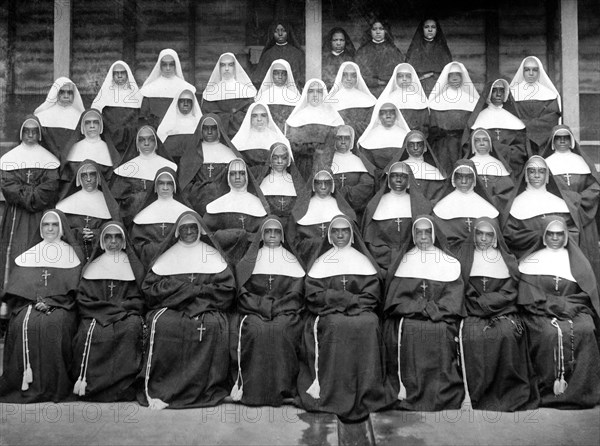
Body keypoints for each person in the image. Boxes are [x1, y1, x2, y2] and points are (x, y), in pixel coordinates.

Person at [298, 215, 392, 422]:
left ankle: (368, 390)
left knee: (370, 323)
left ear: (352, 234)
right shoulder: (320, 262)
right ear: (329, 235)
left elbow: (372, 295)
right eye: (335, 231)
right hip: (330, 315)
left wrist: (342, 303)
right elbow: (313, 296)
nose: (340, 235)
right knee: (334, 325)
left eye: (345, 231)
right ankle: (334, 391)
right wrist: (347, 301)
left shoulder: (363, 261)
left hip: (359, 312)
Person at [140, 211, 236, 409]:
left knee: (211, 325)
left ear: (200, 230)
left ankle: (204, 388)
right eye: (185, 228)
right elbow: (151, 290)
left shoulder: (213, 256)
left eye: (193, 228)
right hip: (173, 309)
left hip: (206, 309)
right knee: (164, 325)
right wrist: (193, 292)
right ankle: (165, 386)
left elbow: (226, 291)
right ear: (177, 232)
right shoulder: (166, 257)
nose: (189, 232)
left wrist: (185, 291)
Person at [456, 217, 539, 411]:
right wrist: (479, 304)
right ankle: (477, 392)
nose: (483, 239)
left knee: (507, 334)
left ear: (495, 238)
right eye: (479, 233)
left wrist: (490, 302)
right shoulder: (463, 259)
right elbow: (459, 288)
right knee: (472, 335)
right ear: (474, 235)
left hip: (503, 310)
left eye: (488, 234)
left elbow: (511, 291)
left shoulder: (506, 260)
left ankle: (506, 392)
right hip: (472, 310)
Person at [0, 210, 82, 403]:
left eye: (54, 225)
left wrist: (53, 303)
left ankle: (53, 386)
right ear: (41, 228)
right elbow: (16, 292)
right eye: (46, 225)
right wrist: (34, 302)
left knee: (55, 325)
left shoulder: (72, 256)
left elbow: (76, 293)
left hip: (62, 308)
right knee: (20, 323)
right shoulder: (29, 254)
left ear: (61, 229)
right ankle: (24, 383)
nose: (50, 228)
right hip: (30, 305)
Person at [384, 216, 465, 411]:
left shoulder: (448, 262)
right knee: (411, 331)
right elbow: (396, 301)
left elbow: (453, 298)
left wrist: (434, 310)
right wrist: (421, 308)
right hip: (409, 317)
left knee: (440, 332)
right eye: (418, 232)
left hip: (440, 317)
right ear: (412, 236)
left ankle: (438, 393)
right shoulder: (403, 262)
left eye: (427, 232)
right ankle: (410, 391)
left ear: (434, 234)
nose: (423, 236)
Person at [518, 217, 600, 408]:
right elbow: (528, 296)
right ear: (544, 237)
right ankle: (548, 391)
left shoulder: (578, 262)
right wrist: (555, 306)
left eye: (559, 234)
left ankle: (580, 391)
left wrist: (567, 307)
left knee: (586, 329)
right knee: (548, 333)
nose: (555, 237)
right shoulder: (532, 261)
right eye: (551, 234)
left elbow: (585, 294)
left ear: (565, 236)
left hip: (573, 309)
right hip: (540, 311)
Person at [230, 216, 305, 406]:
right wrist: (263, 307)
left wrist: (274, 308)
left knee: (282, 330)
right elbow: (243, 293)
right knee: (255, 330)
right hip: (254, 310)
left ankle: (284, 388)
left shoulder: (292, 261)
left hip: (285, 312)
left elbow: (296, 294)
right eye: (268, 232)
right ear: (262, 235)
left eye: (277, 232)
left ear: (282, 236)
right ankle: (253, 389)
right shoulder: (250, 261)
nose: (272, 235)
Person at [72, 221, 145, 401]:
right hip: (96, 314)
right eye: (108, 237)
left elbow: (139, 299)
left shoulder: (133, 267)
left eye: (117, 236)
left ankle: (123, 387)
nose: (113, 241)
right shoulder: (93, 267)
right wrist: (109, 311)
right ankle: (93, 386)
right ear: (102, 241)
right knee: (86, 333)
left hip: (125, 315)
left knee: (131, 327)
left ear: (123, 240)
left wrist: (121, 310)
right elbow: (83, 300)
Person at [0, 117, 60, 301]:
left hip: (40, 217)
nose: (31, 135)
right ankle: (9, 301)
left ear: (40, 134)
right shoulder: (9, 159)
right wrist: (32, 196)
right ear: (21, 133)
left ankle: (35, 298)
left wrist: (28, 196)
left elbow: (50, 187)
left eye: (34, 131)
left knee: (37, 252)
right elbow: (8, 186)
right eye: (27, 131)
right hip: (16, 217)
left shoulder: (49, 160)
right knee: (15, 253)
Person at [542, 125, 600, 283]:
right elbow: (542, 190)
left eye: (565, 137)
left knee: (586, 256)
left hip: (583, 217)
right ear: (553, 141)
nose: (562, 140)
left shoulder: (582, 162)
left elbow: (595, 188)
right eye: (558, 138)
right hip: (559, 217)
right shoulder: (546, 164)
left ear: (571, 140)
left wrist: (576, 200)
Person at [363, 161, 433, 271]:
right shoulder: (376, 205)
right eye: (394, 176)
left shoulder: (421, 205)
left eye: (403, 176)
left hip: (414, 259)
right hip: (384, 262)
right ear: (388, 181)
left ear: (409, 181)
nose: (399, 180)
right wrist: (391, 257)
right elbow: (371, 240)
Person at [505, 156, 578, 259]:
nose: (537, 176)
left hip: (559, 256)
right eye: (532, 171)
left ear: (547, 175)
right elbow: (510, 236)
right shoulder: (515, 205)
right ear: (526, 175)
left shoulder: (561, 204)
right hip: (528, 257)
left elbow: (573, 231)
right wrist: (541, 237)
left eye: (541, 172)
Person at [203, 158, 269, 264]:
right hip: (222, 256)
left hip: (251, 258)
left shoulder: (258, 206)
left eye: (241, 173)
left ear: (247, 176)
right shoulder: (217, 206)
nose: (237, 177)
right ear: (228, 177)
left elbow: (263, 235)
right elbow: (207, 234)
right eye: (233, 174)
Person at [56, 161, 121, 262]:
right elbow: (60, 233)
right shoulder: (66, 205)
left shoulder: (109, 205)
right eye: (84, 176)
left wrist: (97, 235)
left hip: (100, 256)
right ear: (79, 179)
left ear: (98, 177)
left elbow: (116, 234)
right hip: (72, 254)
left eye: (92, 175)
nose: (89, 179)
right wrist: (77, 234)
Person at [464, 78, 529, 179]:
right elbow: (468, 147)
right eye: (494, 90)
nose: (498, 94)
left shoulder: (515, 121)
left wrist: (504, 151)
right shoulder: (477, 120)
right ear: (488, 93)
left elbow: (521, 148)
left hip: (511, 165)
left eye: (502, 91)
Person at [111, 125, 177, 225]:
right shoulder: (126, 168)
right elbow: (117, 201)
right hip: (130, 218)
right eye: (142, 140)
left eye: (150, 139)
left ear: (156, 142)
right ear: (136, 143)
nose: (146, 143)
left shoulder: (168, 166)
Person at [289, 170, 356, 266]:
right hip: (308, 259)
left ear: (332, 185)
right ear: (313, 185)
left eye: (326, 183)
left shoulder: (344, 209)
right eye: (319, 183)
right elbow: (293, 242)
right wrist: (315, 243)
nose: (323, 187)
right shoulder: (299, 211)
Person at [130, 167, 194, 269]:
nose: (165, 187)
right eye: (161, 183)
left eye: (169, 183)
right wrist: (154, 250)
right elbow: (137, 245)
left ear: (175, 186)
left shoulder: (186, 212)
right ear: (155, 186)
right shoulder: (143, 215)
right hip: (151, 263)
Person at [178, 114, 242, 214]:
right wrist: (202, 192)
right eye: (205, 128)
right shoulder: (192, 154)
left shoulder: (230, 154)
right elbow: (184, 184)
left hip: (223, 201)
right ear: (200, 130)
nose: (209, 132)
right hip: (196, 201)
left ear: (219, 129)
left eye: (213, 128)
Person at [433, 159, 499, 253]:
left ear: (474, 179)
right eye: (459, 177)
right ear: (453, 179)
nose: (464, 181)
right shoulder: (440, 208)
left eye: (468, 177)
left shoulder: (487, 208)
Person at [285, 79, 344, 181]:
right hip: (303, 166)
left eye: (319, 92)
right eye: (311, 91)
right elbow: (292, 144)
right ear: (306, 94)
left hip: (329, 164)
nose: (315, 95)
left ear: (324, 94)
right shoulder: (297, 117)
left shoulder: (333, 117)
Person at [428, 62, 480, 175]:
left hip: (464, 145)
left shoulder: (472, 101)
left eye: (458, 75)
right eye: (451, 75)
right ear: (446, 78)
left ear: (463, 77)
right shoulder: (436, 102)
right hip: (442, 147)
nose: (455, 78)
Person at [509, 56, 561, 154]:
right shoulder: (512, 94)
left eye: (535, 70)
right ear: (522, 71)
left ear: (540, 71)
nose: (531, 73)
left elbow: (552, 117)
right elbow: (509, 116)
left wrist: (526, 126)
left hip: (542, 142)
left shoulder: (549, 94)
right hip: (518, 141)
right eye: (527, 70)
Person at [92, 61, 142, 158]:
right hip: (109, 144)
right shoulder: (104, 95)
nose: (119, 76)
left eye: (122, 73)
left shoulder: (136, 96)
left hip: (130, 145)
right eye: (116, 73)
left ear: (127, 75)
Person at [201, 53, 257, 139]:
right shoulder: (210, 93)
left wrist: (224, 119)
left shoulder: (246, 92)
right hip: (217, 137)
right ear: (219, 68)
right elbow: (208, 116)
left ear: (235, 67)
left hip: (241, 136)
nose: (226, 69)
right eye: (223, 65)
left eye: (230, 65)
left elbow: (249, 116)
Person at [254, 142, 310, 228]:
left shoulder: (296, 182)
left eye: (283, 158)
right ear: (270, 160)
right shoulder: (264, 182)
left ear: (288, 160)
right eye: (275, 158)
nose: (279, 162)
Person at [387, 129, 447, 205]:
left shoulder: (434, 172)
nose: (415, 148)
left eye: (419, 145)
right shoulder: (397, 168)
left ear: (425, 148)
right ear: (406, 148)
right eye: (411, 145)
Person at [61, 108, 120, 186]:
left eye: (96, 122)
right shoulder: (73, 149)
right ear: (82, 127)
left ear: (101, 126)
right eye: (88, 123)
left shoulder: (109, 151)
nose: (92, 126)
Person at [329, 125, 376, 222]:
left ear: (351, 140)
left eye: (346, 138)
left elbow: (366, 185)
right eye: (339, 138)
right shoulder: (327, 161)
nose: (343, 141)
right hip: (331, 209)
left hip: (354, 211)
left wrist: (344, 194)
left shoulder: (359, 161)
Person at [139, 49, 195, 129]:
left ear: (176, 65)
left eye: (171, 64)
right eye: (164, 64)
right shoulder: (149, 89)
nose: (168, 68)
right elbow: (144, 117)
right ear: (160, 65)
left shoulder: (185, 88)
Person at [34, 77, 85, 159]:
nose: (66, 95)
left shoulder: (80, 117)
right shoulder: (42, 116)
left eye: (69, 92)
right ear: (56, 93)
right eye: (62, 92)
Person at [466, 128, 514, 214]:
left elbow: (507, 192)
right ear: (472, 143)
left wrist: (492, 201)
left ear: (490, 142)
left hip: (496, 207)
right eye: (477, 140)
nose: (481, 143)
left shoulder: (499, 165)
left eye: (485, 140)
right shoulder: (467, 165)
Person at [326, 62, 377, 139]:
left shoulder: (368, 100)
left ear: (357, 78)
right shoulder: (330, 101)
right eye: (345, 75)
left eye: (353, 75)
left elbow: (371, 126)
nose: (349, 79)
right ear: (340, 76)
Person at [355, 20, 404, 97]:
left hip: (389, 90)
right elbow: (359, 75)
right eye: (374, 29)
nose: (378, 32)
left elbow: (399, 73)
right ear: (370, 31)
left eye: (381, 29)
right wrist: (375, 82)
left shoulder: (393, 50)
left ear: (385, 31)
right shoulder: (363, 51)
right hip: (368, 90)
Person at [357, 102, 410, 175]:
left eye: (391, 112)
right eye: (384, 113)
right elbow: (368, 164)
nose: (388, 116)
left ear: (396, 115)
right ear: (378, 115)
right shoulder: (369, 136)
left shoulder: (405, 135)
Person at [231, 102, 290, 167]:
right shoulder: (240, 139)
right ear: (250, 118)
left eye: (263, 115)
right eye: (255, 116)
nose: (259, 119)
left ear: (268, 117)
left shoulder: (277, 138)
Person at [377, 63, 429, 135]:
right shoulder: (388, 99)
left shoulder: (419, 99)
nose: (404, 79)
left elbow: (425, 124)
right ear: (395, 78)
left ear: (412, 78)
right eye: (400, 76)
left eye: (408, 76)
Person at [405, 18, 453, 97]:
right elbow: (409, 72)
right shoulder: (415, 48)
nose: (430, 30)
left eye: (433, 27)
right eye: (427, 27)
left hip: (439, 89)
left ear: (437, 30)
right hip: (419, 89)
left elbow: (448, 73)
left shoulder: (442, 49)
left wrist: (433, 75)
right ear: (422, 29)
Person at [252, 21, 305, 89]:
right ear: (272, 33)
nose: (280, 34)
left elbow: (302, 79)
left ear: (288, 32)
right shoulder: (268, 54)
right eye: (276, 31)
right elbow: (259, 78)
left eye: (283, 31)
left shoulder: (297, 54)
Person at [156, 88, 202, 164]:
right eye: (182, 101)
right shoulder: (168, 123)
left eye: (189, 101)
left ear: (193, 103)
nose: (185, 104)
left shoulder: (198, 122)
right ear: (177, 103)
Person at [254, 59, 301, 132]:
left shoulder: (295, 97)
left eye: (283, 73)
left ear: (287, 75)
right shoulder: (263, 96)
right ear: (271, 75)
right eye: (276, 73)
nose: (280, 77)